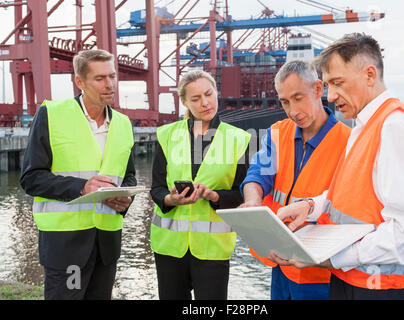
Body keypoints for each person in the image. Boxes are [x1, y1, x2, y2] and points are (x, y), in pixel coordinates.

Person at [269, 33, 404, 300]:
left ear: (369, 75)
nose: (331, 95)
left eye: (338, 83)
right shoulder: (364, 126)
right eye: (328, 85)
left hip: (375, 287)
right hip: (353, 279)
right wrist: (311, 207)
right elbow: (350, 196)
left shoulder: (395, 128)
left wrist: (332, 257)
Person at [20, 49, 136, 300]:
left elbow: (129, 177)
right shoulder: (52, 114)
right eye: (100, 78)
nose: (110, 84)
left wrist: (126, 200)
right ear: (80, 82)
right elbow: (31, 178)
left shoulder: (124, 124)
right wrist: (82, 187)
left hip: (107, 245)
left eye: (112, 76)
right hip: (66, 246)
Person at [240, 59, 351, 300]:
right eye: (285, 102)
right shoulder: (277, 133)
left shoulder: (349, 143)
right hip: (281, 263)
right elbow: (257, 175)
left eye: (298, 98)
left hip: (322, 272)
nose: (292, 111)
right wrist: (252, 202)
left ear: (318, 90)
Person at [150, 70, 251, 300]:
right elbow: (156, 188)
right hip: (168, 247)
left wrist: (215, 196)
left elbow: (242, 194)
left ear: (216, 92)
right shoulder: (166, 135)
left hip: (212, 248)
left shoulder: (239, 139)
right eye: (195, 99)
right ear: (184, 102)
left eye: (209, 94)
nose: (205, 103)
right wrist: (170, 199)